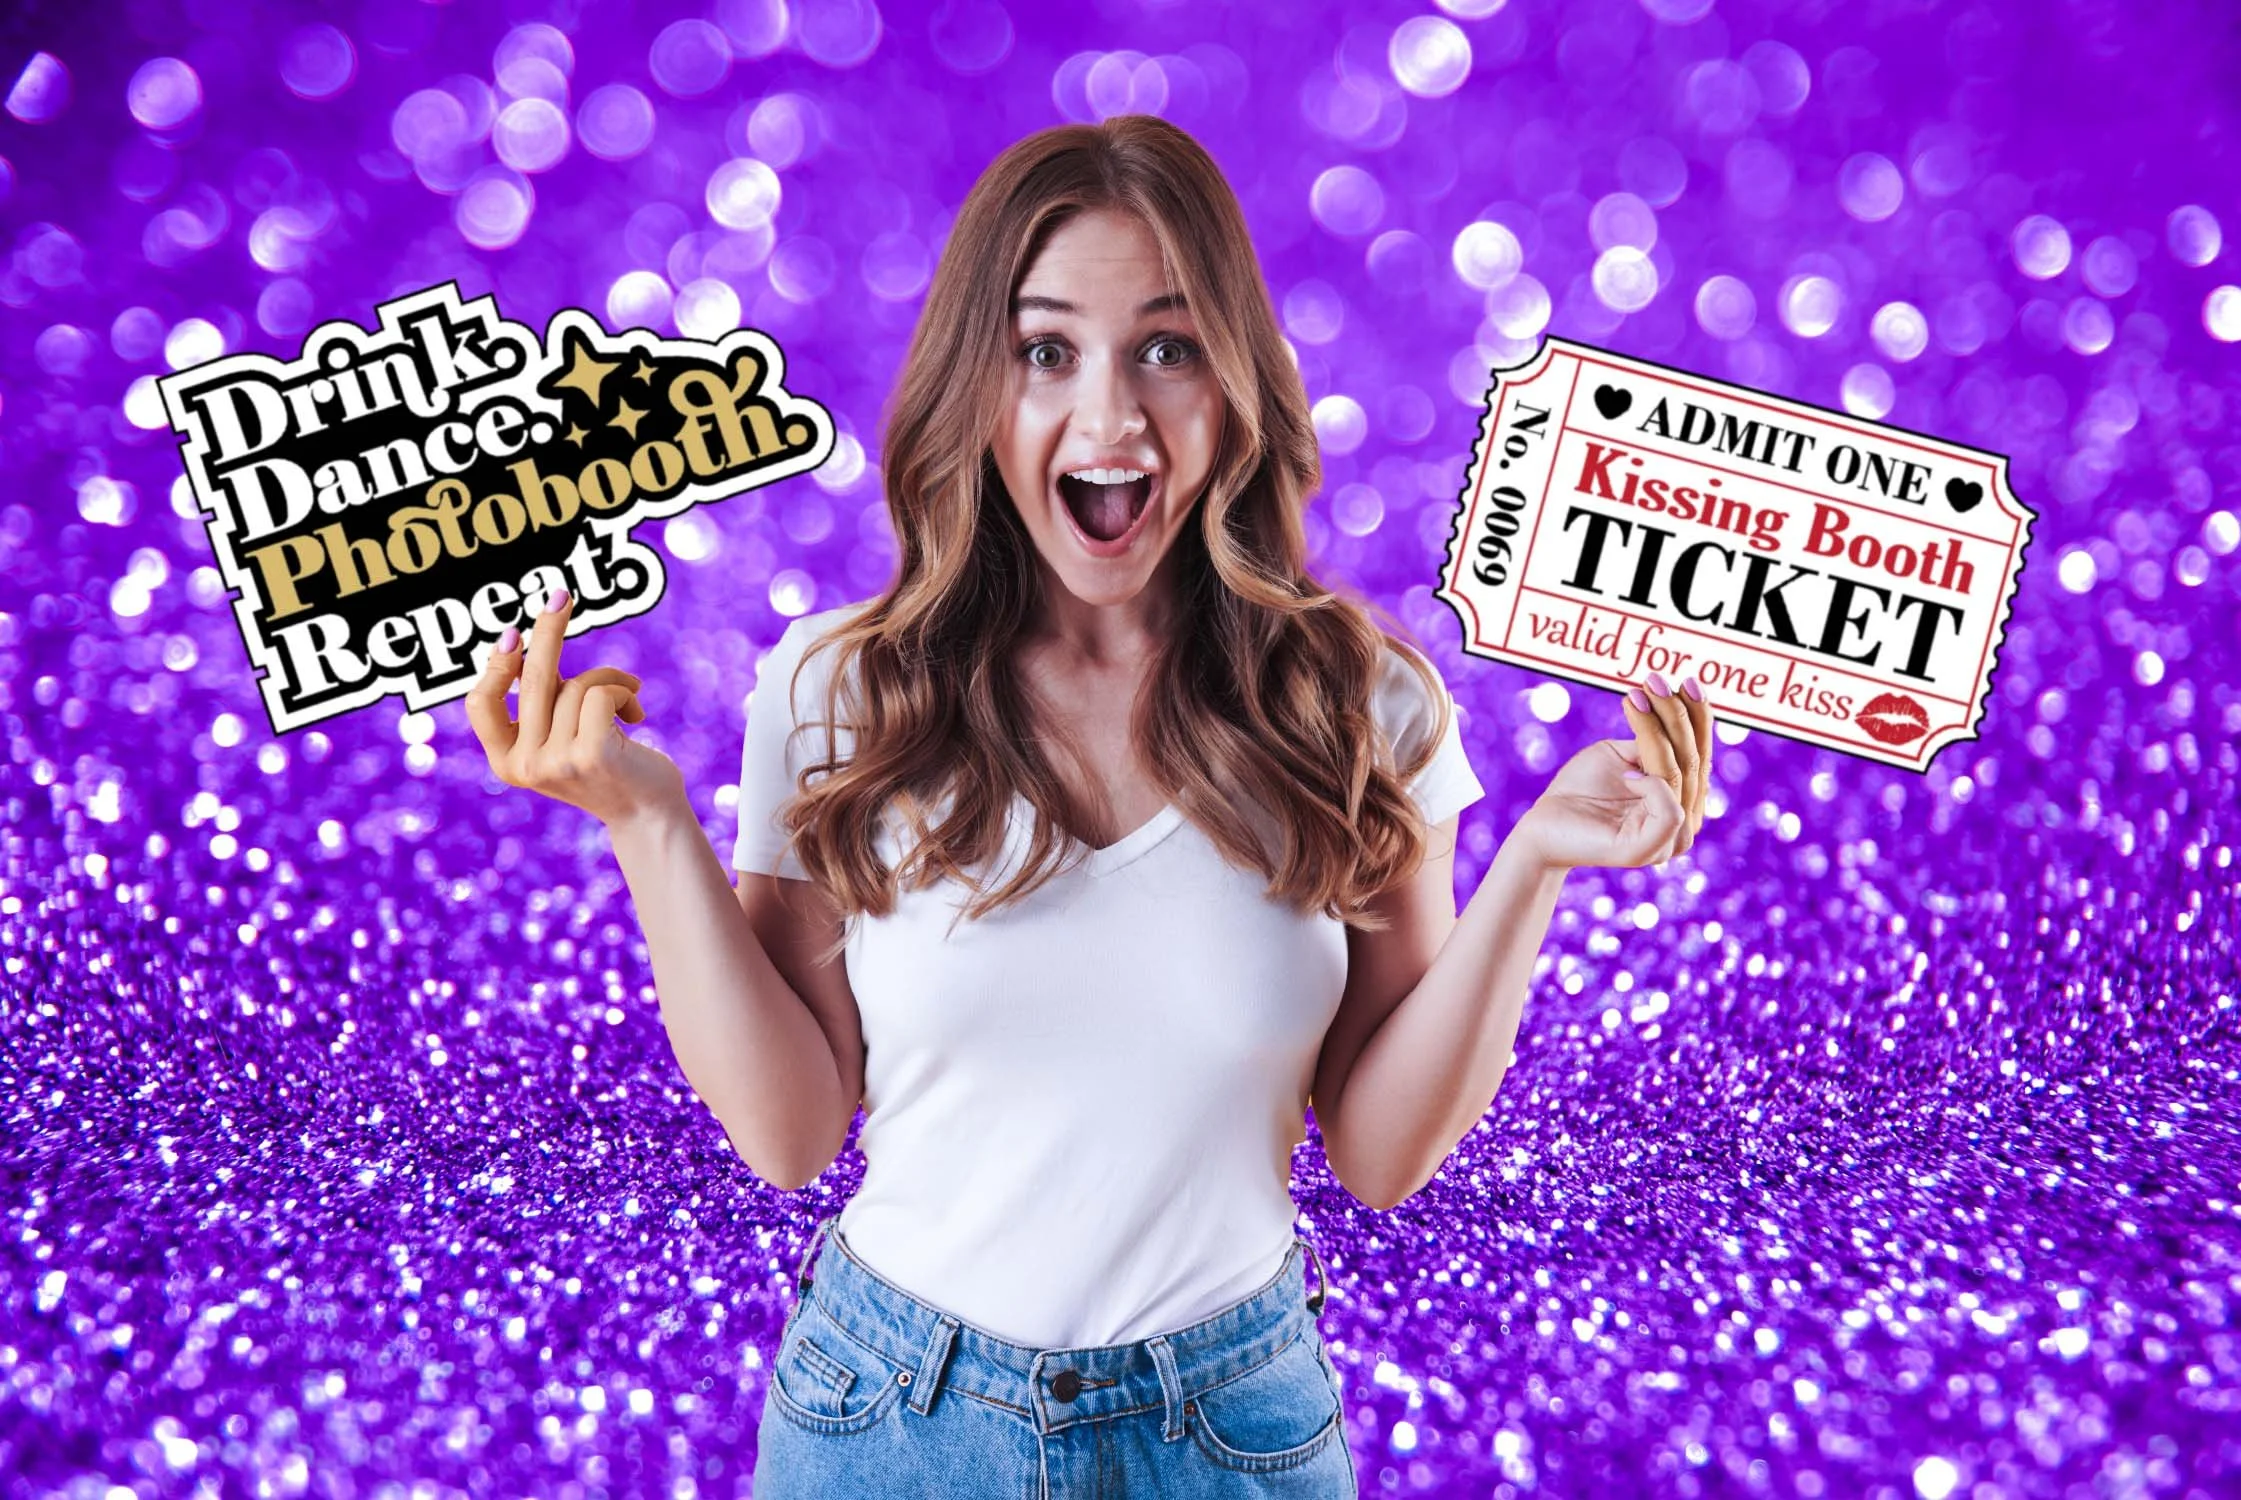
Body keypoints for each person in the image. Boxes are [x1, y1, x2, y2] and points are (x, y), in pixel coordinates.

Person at [466, 115, 1713, 1499]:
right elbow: (792, 1129)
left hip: (1231, 1433)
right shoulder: (842, 690)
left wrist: (1536, 865)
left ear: (1235, 385)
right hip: (888, 1420)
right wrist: (648, 825)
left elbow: (1376, 1153)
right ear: (976, 385)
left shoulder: (1362, 706)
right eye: (1046, 351)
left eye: (1167, 349)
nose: (1112, 419)